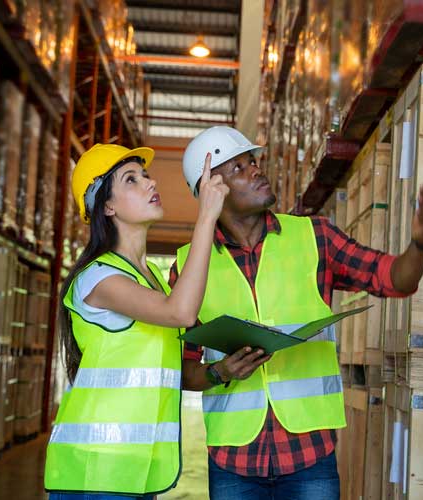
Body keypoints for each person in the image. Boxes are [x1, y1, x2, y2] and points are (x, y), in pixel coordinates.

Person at [171, 126, 423, 500]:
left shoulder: (316, 237)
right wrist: (220, 371)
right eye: (240, 168)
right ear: (212, 189)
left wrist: (418, 243)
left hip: (310, 456)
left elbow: (395, 279)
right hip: (233, 461)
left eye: (254, 161)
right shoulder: (188, 265)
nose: (256, 170)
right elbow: (181, 369)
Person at [43, 143, 266, 499]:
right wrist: (207, 216)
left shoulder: (153, 282)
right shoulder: (97, 278)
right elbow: (180, 312)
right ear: (108, 206)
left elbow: (164, 361)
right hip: (96, 469)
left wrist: (220, 371)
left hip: (134, 471)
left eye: (146, 175)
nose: (149, 183)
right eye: (131, 179)